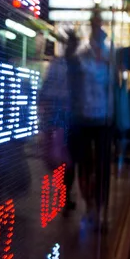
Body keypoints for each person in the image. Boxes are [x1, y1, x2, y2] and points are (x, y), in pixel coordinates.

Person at [66, 10, 114, 230]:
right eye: (93, 25)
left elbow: (116, 81)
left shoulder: (109, 54)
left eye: (99, 25)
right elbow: (72, 73)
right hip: (84, 117)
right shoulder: (82, 54)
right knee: (85, 164)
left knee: (102, 166)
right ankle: (90, 205)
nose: (97, 29)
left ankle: (101, 209)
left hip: (103, 117)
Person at [37, 32, 79, 214]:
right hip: (67, 117)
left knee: (60, 155)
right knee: (67, 157)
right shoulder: (75, 66)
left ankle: (64, 193)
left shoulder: (59, 65)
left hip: (58, 116)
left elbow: (45, 90)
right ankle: (65, 194)